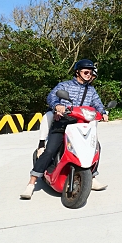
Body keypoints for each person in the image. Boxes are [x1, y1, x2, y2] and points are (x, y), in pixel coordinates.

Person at [20, 60, 108, 199]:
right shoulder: (65, 85)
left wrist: (103, 112)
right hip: (62, 122)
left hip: (80, 123)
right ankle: (31, 183)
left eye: (90, 73)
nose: (88, 75)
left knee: (95, 147)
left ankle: (92, 177)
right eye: (86, 72)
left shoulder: (91, 90)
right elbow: (52, 96)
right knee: (50, 150)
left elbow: (97, 103)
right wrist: (57, 106)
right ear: (78, 72)